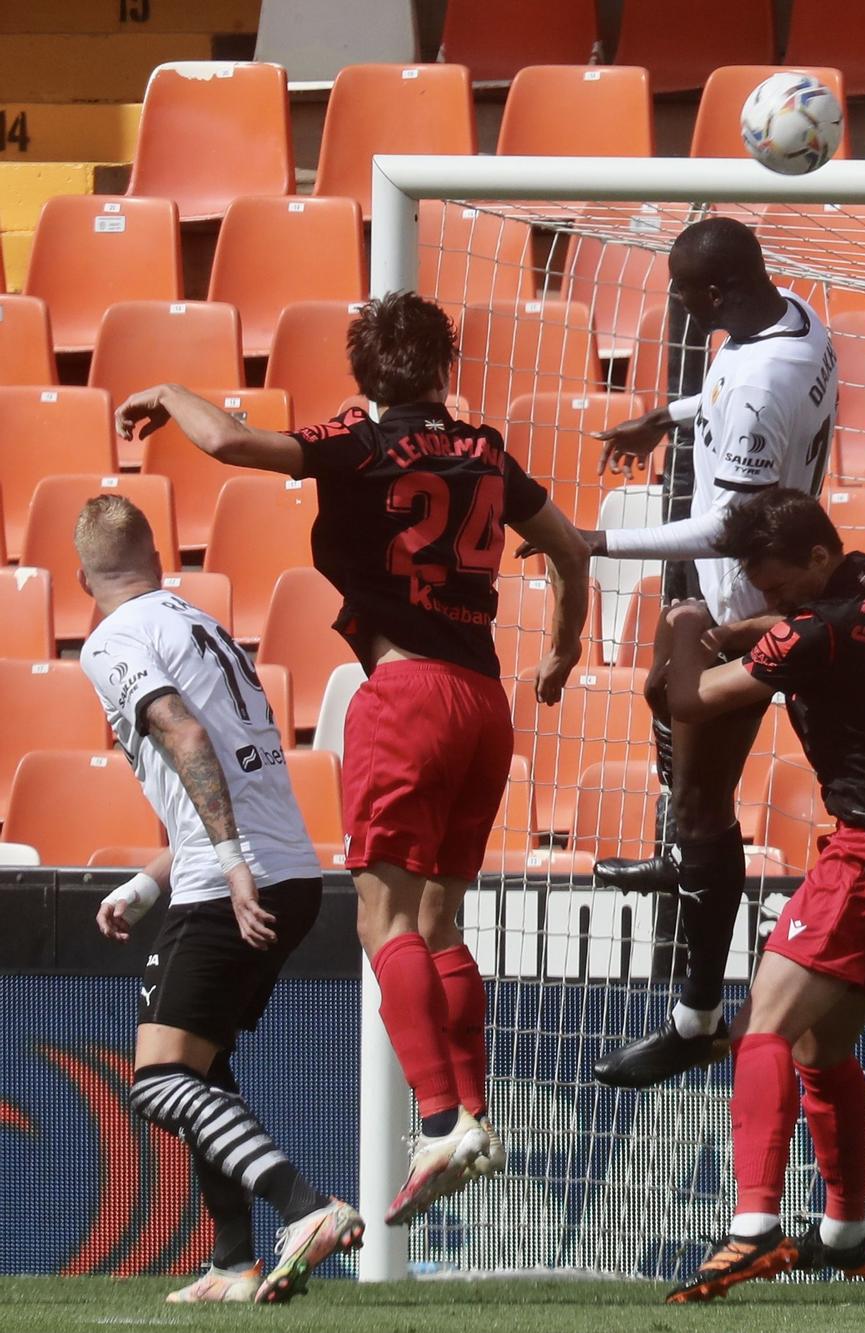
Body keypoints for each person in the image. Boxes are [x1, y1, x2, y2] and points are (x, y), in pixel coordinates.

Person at [114, 290, 593, 1226]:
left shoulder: (360, 444)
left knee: (384, 924)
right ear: (445, 370)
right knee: (442, 921)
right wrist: (566, 649)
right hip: (486, 703)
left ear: (366, 377)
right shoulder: (487, 450)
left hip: (405, 696)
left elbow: (233, 445)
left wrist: (173, 387)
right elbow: (570, 550)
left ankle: (442, 1118)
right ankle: (473, 1113)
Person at [650, 489, 865, 1304]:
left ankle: (752, 1229)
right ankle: (847, 1234)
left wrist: (685, 625)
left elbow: (688, 700)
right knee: (822, 1050)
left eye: (782, 590)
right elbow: (801, 632)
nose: (776, 606)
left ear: (818, 562)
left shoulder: (813, 633)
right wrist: (763, 625)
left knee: (765, 1029)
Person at [573, 215, 839, 1091]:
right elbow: (729, 390)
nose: (681, 311)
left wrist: (596, 544)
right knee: (659, 688)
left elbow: (731, 526)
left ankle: (696, 1018)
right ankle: (686, 858)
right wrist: (668, 415)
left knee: (702, 805)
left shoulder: (764, 383)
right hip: (719, 583)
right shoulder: (794, 315)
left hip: (748, 606)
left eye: (686, 297)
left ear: (718, 292)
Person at [77, 496, 359, 1304]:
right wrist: (143, 884)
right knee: (207, 1070)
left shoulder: (114, 640)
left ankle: (305, 1208)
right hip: (284, 870)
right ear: (158, 558)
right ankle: (234, 1260)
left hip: (233, 879)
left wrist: (230, 866)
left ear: (81, 576)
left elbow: (184, 738)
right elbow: (219, 776)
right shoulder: (195, 626)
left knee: (159, 1081)